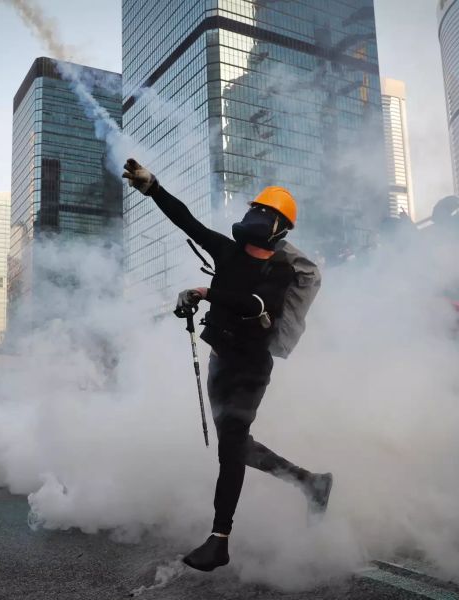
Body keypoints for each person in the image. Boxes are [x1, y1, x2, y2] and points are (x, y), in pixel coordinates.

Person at [123, 158, 332, 572]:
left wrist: (203, 291)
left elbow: (254, 305)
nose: (259, 215)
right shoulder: (228, 251)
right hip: (220, 360)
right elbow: (188, 222)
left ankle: (220, 540)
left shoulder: (279, 269)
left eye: (269, 214)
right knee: (235, 446)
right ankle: (311, 483)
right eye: (258, 208)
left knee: (230, 448)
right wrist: (153, 188)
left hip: (250, 370)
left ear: (281, 229)